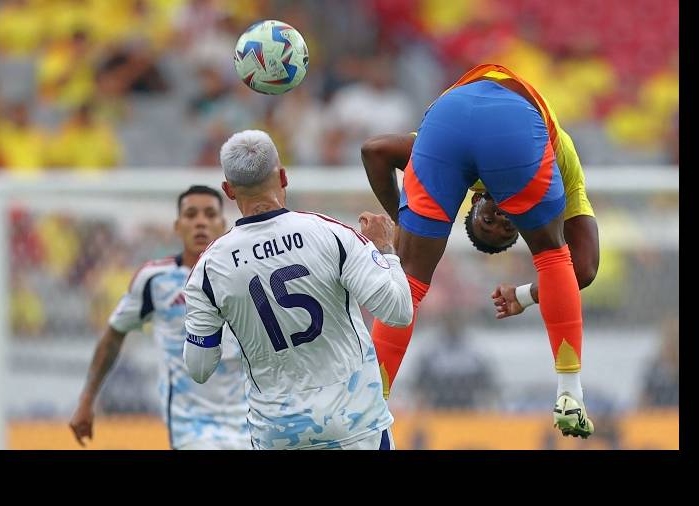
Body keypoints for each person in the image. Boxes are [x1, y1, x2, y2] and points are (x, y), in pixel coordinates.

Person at [361, 64, 596, 438]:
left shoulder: (445, 154)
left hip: (450, 115)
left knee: (409, 280)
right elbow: (576, 268)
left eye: (493, 225)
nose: (502, 221)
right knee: (553, 255)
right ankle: (570, 393)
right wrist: (525, 294)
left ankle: (366, 406)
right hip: (509, 118)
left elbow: (374, 151)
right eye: (503, 227)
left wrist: (404, 224)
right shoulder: (562, 159)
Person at [183, 130, 412, 450]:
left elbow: (199, 367)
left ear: (228, 191)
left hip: (279, 433)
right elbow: (398, 312)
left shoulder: (210, 269)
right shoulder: (332, 235)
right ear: (283, 176)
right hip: (356, 427)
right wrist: (386, 249)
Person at [70, 186, 250, 450]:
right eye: (191, 214)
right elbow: (114, 334)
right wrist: (87, 400)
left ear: (223, 224)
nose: (200, 221)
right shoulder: (155, 280)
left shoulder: (244, 273)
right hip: (189, 424)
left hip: (249, 419)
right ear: (177, 226)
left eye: (210, 214)